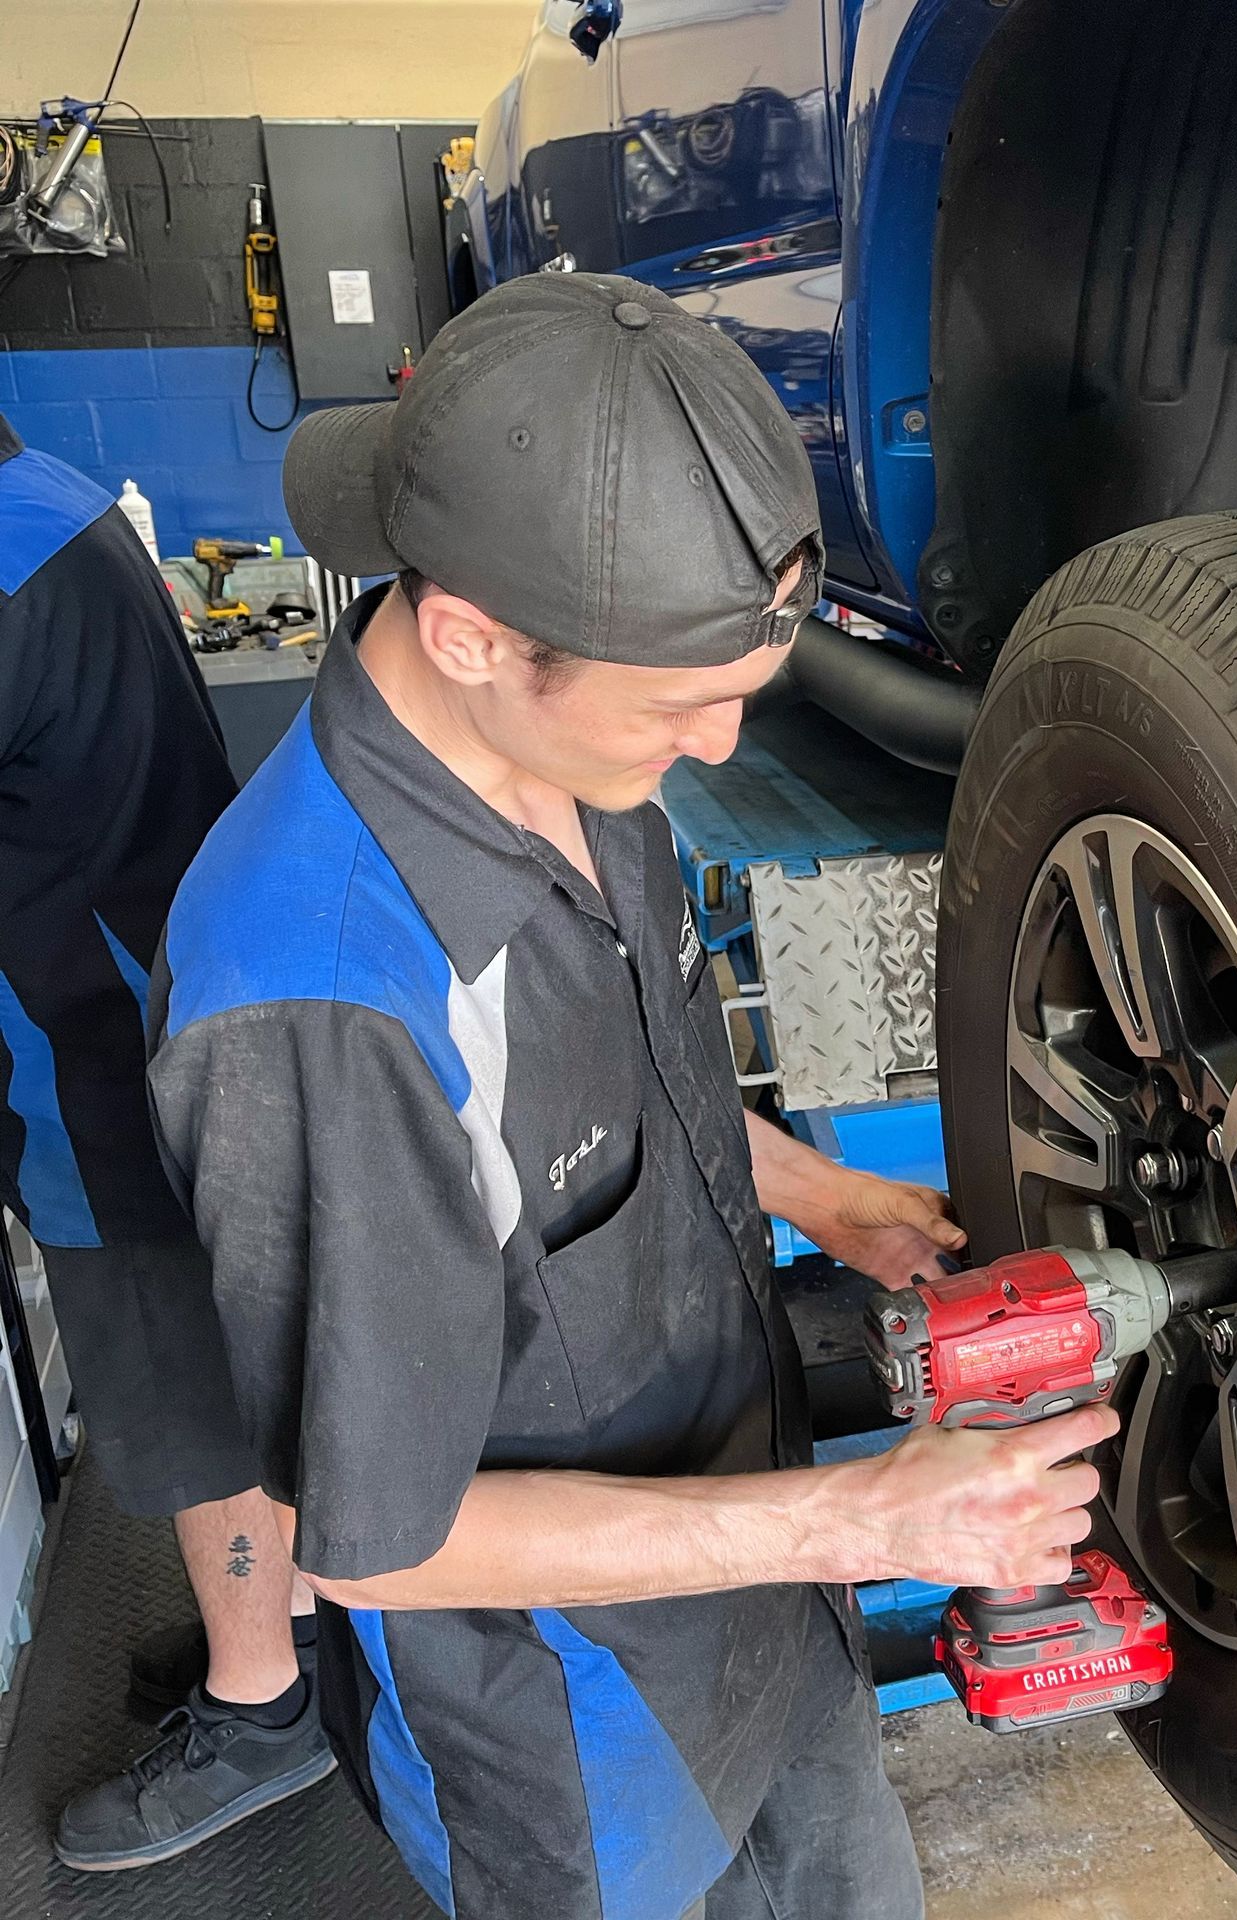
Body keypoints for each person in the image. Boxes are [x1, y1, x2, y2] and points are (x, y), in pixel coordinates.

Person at [146, 273, 1114, 1920]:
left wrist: (815, 1191)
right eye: (683, 707)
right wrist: (855, 1519)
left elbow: (587, 1094)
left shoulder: (584, 766)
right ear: (468, 636)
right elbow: (382, 1543)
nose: (722, 740)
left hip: (771, 1595)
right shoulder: (318, 998)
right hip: (586, 1735)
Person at [0, 413, 331, 1871]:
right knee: (227, 1365)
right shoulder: (41, 500)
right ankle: (291, 1641)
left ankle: (264, 1705)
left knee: (184, 1393)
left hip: (96, 1062)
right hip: (147, 998)